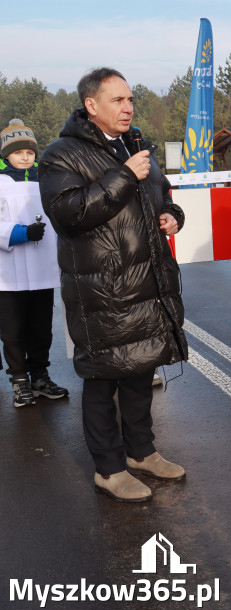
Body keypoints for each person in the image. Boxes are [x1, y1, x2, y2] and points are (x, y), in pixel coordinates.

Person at [39, 67, 188, 503]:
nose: (128, 108)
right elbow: (70, 213)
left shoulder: (136, 145)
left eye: (130, 99)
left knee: (141, 369)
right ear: (91, 105)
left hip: (147, 283)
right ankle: (109, 468)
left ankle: (141, 451)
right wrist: (123, 175)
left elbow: (162, 193)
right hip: (102, 291)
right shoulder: (60, 154)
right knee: (104, 378)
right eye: (118, 100)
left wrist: (172, 215)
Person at [0, 119, 69, 408]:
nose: (25, 157)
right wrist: (21, 233)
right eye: (18, 152)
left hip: (42, 269)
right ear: (6, 154)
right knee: (13, 330)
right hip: (9, 273)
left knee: (41, 328)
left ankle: (39, 376)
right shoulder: (1, 182)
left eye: (30, 152)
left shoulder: (45, 180)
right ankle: (19, 381)